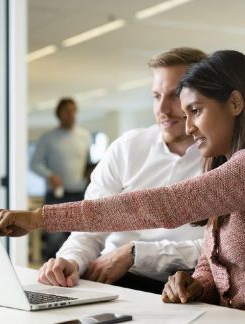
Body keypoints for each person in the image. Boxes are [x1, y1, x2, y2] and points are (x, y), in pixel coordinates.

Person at [0, 50, 245, 322]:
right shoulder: (231, 165)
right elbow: (211, 257)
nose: (188, 127)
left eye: (196, 111)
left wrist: (39, 218)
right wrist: (197, 284)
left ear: (235, 102)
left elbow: (167, 205)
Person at [37, 47, 208, 294]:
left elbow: (219, 248)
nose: (162, 109)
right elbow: (90, 227)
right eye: (156, 96)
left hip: (186, 288)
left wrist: (136, 253)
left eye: (174, 96)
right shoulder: (127, 148)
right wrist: (71, 260)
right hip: (110, 280)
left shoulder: (224, 159)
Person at [30, 97, 91, 259]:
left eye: (74, 111)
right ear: (59, 114)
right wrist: (49, 175)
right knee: (55, 241)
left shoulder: (85, 136)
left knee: (78, 240)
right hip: (56, 196)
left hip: (79, 195)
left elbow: (87, 163)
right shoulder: (48, 138)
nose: (71, 115)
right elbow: (34, 163)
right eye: (67, 111)